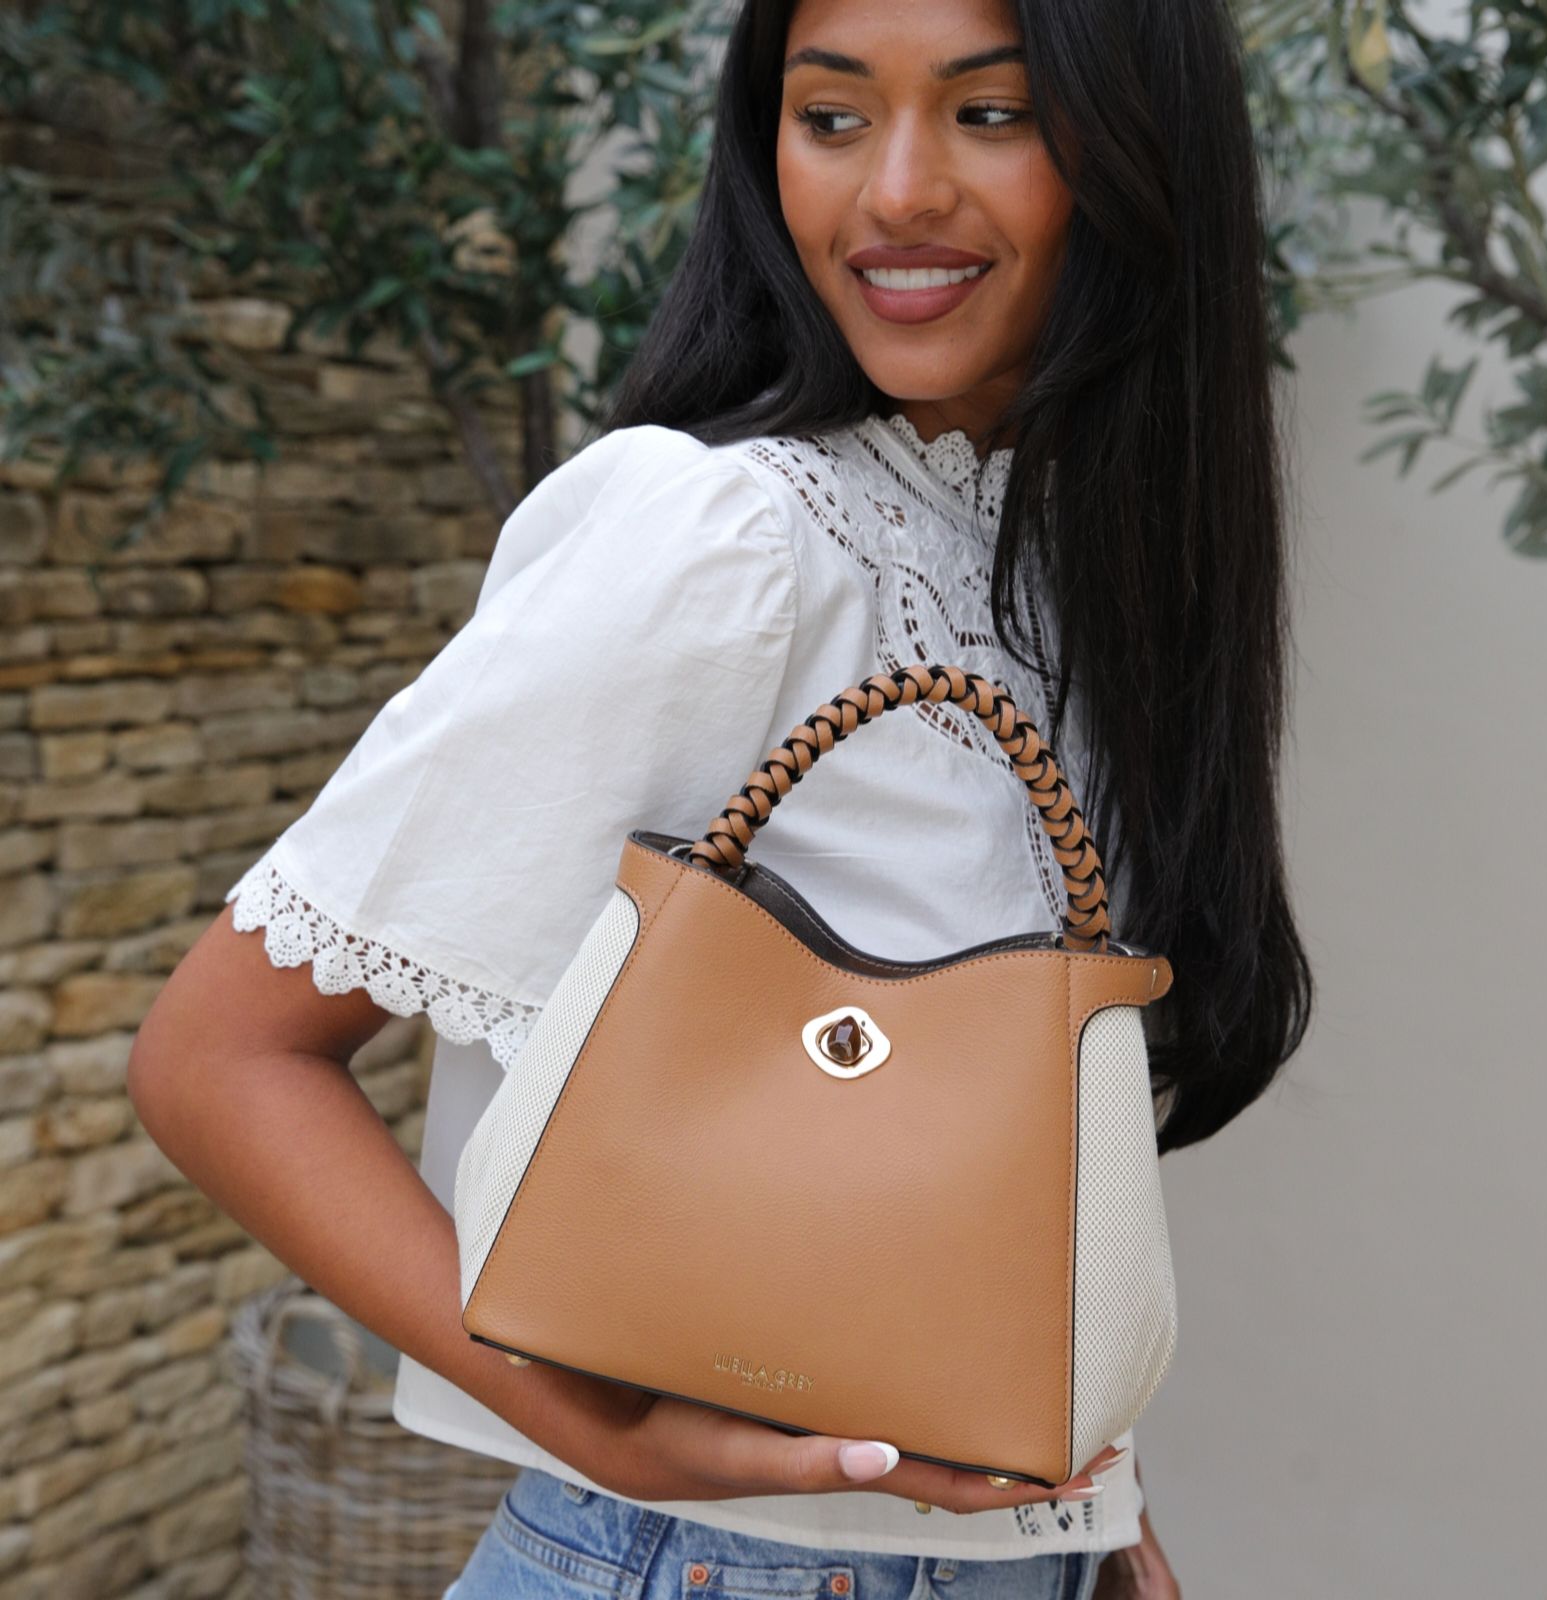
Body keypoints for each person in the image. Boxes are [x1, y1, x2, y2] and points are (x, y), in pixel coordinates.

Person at [128, 0, 1314, 1595]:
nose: (895, 192)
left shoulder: (1062, 564)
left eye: (991, 114)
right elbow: (220, 1058)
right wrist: (596, 1431)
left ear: (1143, 152)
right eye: (831, 117)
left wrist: (1095, 1514)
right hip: (706, 1560)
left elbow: (970, 1160)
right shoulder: (727, 537)